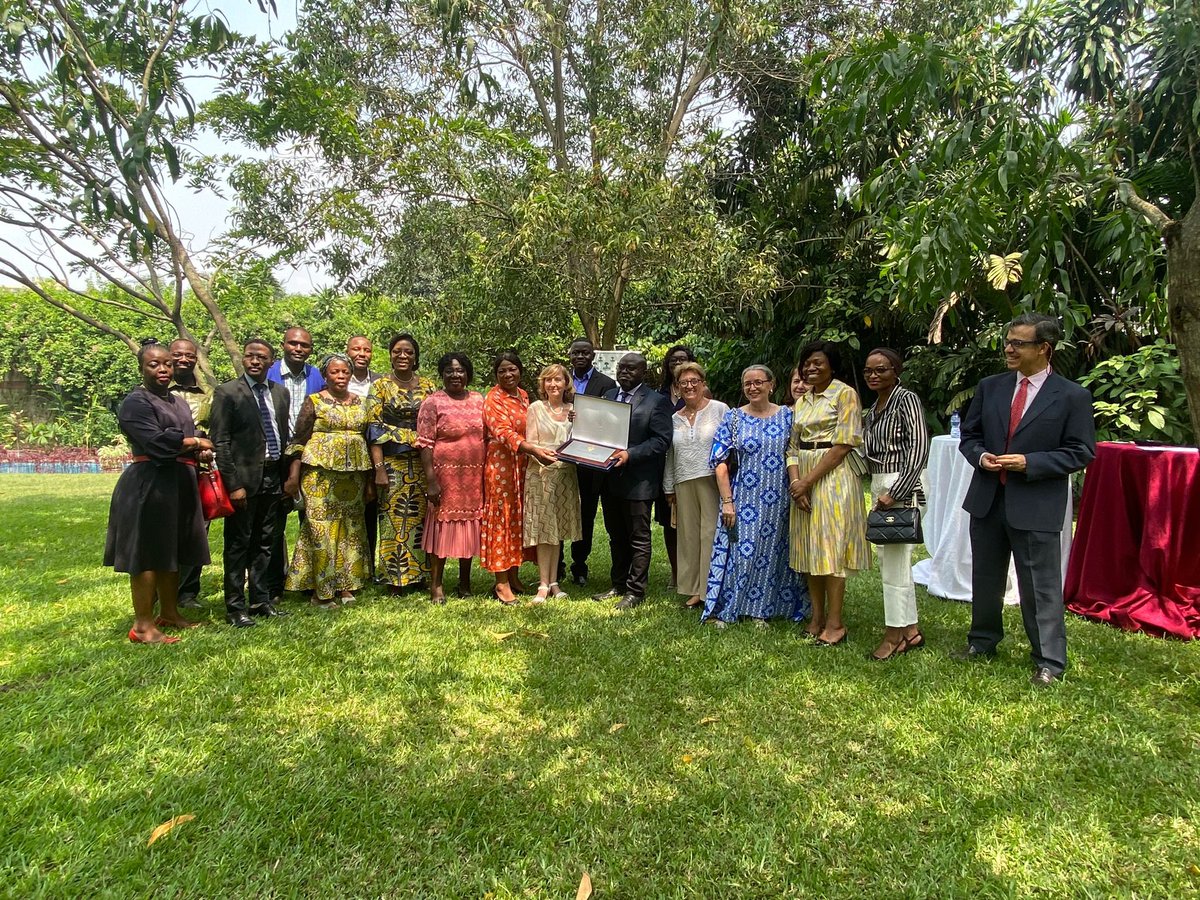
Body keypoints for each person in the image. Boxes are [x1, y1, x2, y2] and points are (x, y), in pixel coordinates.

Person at [953, 313, 1096, 685]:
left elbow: (1080, 451)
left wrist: (1029, 463)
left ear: (1044, 348)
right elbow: (970, 436)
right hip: (988, 498)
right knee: (985, 576)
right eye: (1008, 341)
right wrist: (980, 456)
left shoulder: (1072, 396)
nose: (1009, 349)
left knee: (1039, 585)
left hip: (1036, 503)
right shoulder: (991, 387)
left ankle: (1049, 660)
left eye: (1018, 343)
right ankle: (982, 641)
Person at [104, 340, 213, 643]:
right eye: (154, 364)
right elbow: (157, 443)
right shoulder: (136, 402)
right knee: (148, 553)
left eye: (167, 363)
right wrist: (195, 443)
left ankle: (169, 612)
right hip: (149, 483)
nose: (163, 369)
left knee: (172, 549)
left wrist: (197, 449)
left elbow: (183, 438)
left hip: (179, 483)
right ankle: (142, 625)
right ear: (142, 368)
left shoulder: (177, 402)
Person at [702, 365, 809, 627]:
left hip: (781, 498)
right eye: (747, 384)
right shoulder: (734, 418)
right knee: (742, 553)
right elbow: (719, 462)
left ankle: (762, 610)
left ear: (771, 385)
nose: (753, 388)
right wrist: (727, 502)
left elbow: (797, 454)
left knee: (774, 554)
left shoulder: (788, 416)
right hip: (744, 498)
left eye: (758, 382)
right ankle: (732, 607)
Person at [786, 341, 870, 646]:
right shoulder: (802, 401)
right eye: (807, 363)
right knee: (810, 548)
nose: (811, 368)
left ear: (832, 366)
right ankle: (816, 617)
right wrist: (797, 485)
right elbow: (792, 447)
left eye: (818, 363)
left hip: (834, 478)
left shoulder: (844, 394)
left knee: (831, 548)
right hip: (803, 478)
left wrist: (807, 482)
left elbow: (844, 445)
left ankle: (835, 623)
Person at [209, 339, 291, 627]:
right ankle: (235, 607)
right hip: (244, 480)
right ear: (244, 359)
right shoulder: (228, 392)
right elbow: (220, 441)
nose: (255, 361)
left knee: (265, 542)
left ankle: (259, 600)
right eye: (250, 356)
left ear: (272, 362)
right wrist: (233, 485)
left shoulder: (280, 393)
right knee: (238, 544)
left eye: (262, 357)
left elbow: (283, 435)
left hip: (273, 476)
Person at [283, 354, 373, 608]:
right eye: (335, 372)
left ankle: (346, 585)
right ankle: (321, 591)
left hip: (354, 475)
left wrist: (369, 481)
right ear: (325, 375)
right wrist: (293, 476)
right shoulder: (314, 401)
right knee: (321, 529)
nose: (340, 376)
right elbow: (299, 440)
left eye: (345, 372)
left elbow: (368, 440)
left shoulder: (362, 402)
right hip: (320, 475)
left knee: (351, 529)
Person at [862, 348, 931, 660]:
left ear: (896, 371)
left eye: (881, 369)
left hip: (904, 484)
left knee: (895, 564)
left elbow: (918, 447)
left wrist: (897, 492)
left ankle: (894, 635)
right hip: (880, 483)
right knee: (893, 560)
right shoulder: (873, 409)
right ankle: (911, 630)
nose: (874, 375)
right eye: (869, 370)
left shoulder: (906, 399)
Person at [595, 352, 674, 609]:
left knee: (638, 537)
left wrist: (631, 454)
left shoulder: (656, 401)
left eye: (631, 369)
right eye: (621, 368)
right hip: (610, 479)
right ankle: (618, 584)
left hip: (639, 481)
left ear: (643, 372)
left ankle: (635, 591)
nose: (625, 372)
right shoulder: (609, 396)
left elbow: (661, 441)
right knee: (616, 535)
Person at [482, 352, 557, 604]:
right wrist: (534, 450)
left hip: (523, 466)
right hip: (501, 468)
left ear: (520, 371)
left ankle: (513, 576)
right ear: (496, 375)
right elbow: (503, 432)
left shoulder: (523, 395)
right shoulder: (493, 398)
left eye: (512, 369)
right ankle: (501, 583)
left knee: (517, 519)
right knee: (502, 520)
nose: (508, 374)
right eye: (502, 370)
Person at [366, 333, 437, 592]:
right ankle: (394, 578)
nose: (403, 355)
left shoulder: (428, 386)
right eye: (397, 351)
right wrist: (379, 469)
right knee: (393, 520)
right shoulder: (380, 386)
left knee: (421, 520)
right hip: (392, 462)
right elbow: (373, 427)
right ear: (391, 355)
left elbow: (435, 423)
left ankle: (419, 575)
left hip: (421, 461)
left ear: (415, 357)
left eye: (408, 351)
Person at [418, 353, 486, 604]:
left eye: (460, 371)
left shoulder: (479, 400)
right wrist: (431, 481)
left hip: (473, 477)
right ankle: (436, 585)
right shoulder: (432, 403)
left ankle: (464, 582)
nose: (455, 375)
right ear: (442, 374)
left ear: (468, 374)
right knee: (442, 531)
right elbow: (425, 443)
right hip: (445, 476)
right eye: (449, 371)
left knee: (469, 529)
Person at [663, 362, 728, 609]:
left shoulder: (719, 409)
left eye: (694, 381)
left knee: (710, 534)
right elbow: (670, 454)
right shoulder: (674, 418)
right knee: (688, 537)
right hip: (683, 480)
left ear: (703, 383)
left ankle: (710, 588)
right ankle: (694, 589)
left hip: (711, 480)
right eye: (683, 383)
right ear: (677, 388)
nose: (689, 386)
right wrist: (668, 486)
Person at [266, 326, 324, 602]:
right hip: (275, 455)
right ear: (283, 345)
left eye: (304, 345)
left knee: (311, 520)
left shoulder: (316, 376)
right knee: (274, 523)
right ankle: (274, 584)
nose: (298, 349)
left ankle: (309, 580)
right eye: (293, 343)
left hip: (310, 457)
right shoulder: (268, 373)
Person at [523, 363, 582, 602]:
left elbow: (584, 442)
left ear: (566, 383)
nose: (553, 384)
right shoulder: (535, 408)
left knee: (557, 530)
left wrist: (578, 423)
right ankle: (542, 584)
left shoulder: (574, 411)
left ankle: (554, 583)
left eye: (558, 379)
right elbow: (531, 443)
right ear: (543, 384)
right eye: (548, 380)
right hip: (541, 474)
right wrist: (545, 456)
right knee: (544, 530)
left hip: (566, 475)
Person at [562, 337, 616, 585]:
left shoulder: (606, 384)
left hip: (591, 460)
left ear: (593, 356)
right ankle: (556, 565)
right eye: (576, 353)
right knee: (560, 510)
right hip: (562, 457)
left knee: (586, 514)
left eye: (585, 353)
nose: (580, 357)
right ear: (570, 356)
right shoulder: (562, 382)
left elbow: (609, 421)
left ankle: (579, 566)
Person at [167, 337, 211, 609]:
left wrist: (209, 448)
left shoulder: (207, 394)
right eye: (177, 355)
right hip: (163, 469)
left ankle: (187, 592)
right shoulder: (155, 390)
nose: (183, 359)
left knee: (197, 532)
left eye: (189, 356)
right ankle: (160, 591)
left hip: (198, 471)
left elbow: (215, 429)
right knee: (164, 531)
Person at [654, 345, 697, 590]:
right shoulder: (658, 394)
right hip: (664, 466)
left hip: (691, 465)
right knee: (669, 522)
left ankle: (694, 571)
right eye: (673, 360)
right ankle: (675, 571)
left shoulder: (698, 391)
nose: (678, 363)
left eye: (683, 359)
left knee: (692, 522)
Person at [346, 335, 381, 577]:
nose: (361, 354)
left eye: (366, 350)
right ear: (347, 351)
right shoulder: (336, 377)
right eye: (356, 349)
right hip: (343, 453)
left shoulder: (380, 381)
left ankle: (368, 569)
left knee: (370, 509)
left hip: (373, 452)